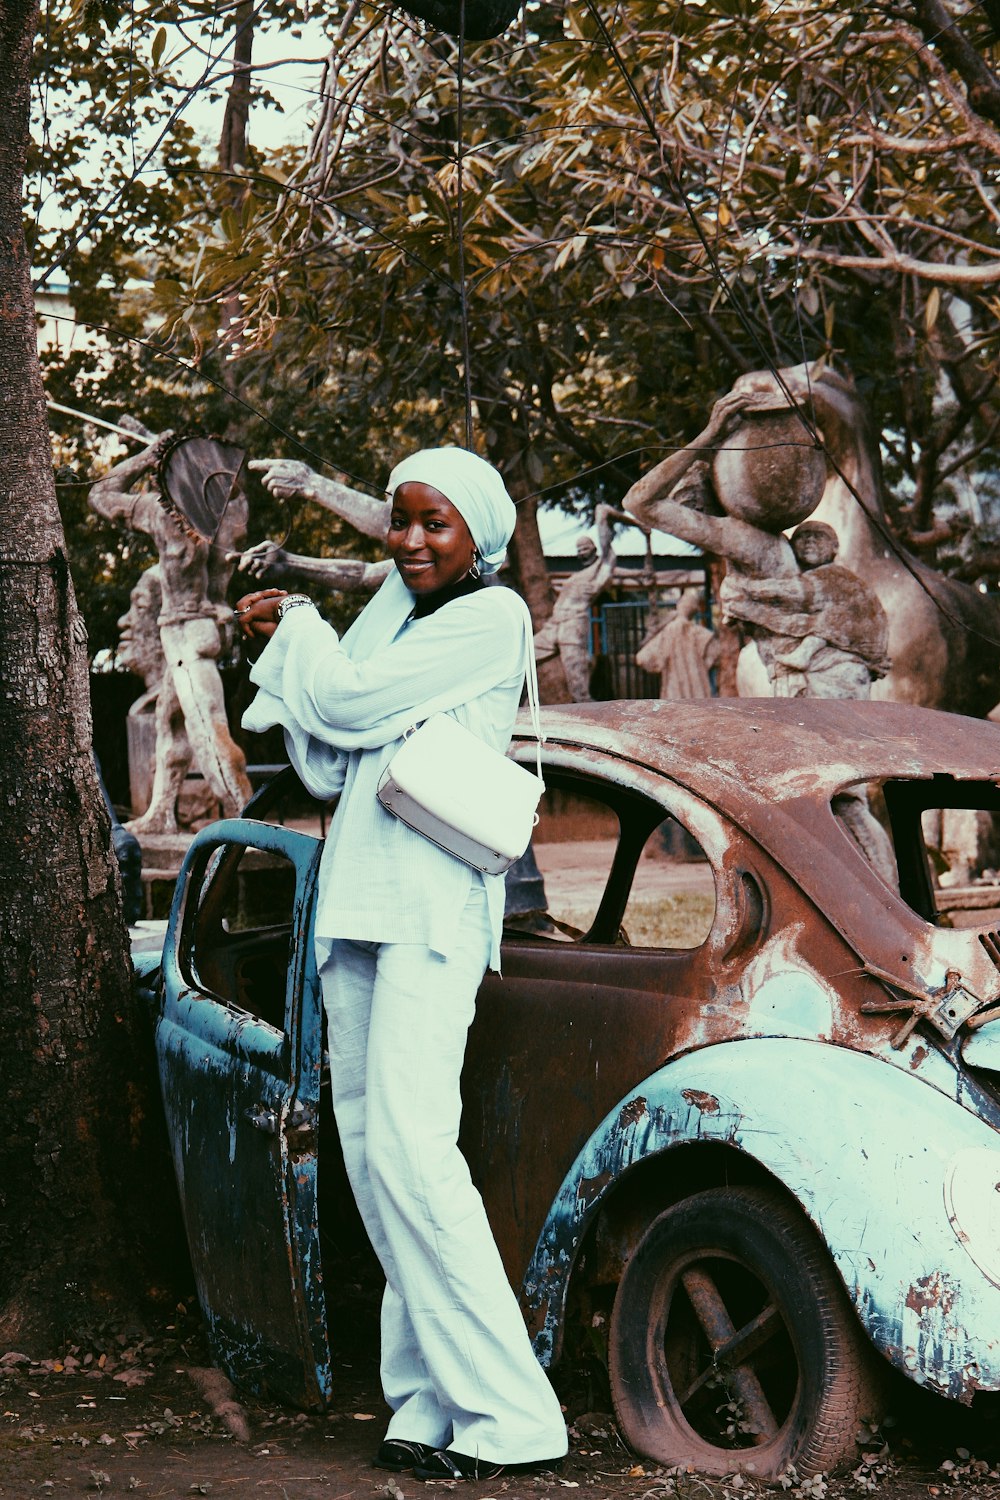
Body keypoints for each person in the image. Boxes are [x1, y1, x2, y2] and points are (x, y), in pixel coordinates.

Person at [235, 447, 567, 1483]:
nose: (412, 542)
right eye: (402, 521)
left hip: (429, 907)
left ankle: (513, 1419)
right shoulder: (392, 605)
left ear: (480, 533)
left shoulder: (491, 617)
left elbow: (336, 703)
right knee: (378, 1164)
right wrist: (315, 650)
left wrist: (296, 630)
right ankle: (424, 1402)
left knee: (417, 1157)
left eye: (437, 525)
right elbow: (332, 755)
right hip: (359, 901)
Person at [89, 427, 252, 820]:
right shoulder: (229, 512)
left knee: (209, 735)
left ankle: (247, 823)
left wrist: (147, 456)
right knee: (170, 722)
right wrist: (181, 456)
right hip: (209, 625)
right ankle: (161, 812)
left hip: (183, 630)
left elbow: (101, 495)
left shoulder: (162, 512)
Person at [720, 520, 890, 698]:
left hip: (862, 635)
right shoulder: (815, 576)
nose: (810, 541)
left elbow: (792, 592)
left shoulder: (834, 574)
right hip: (849, 638)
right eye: (803, 537)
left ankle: (803, 654)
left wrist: (745, 588)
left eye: (818, 537)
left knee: (828, 619)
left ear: (834, 548)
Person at [532, 502, 642, 701]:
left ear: (595, 549)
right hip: (553, 625)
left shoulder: (603, 567)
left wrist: (636, 524)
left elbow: (602, 511)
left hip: (573, 626)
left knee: (578, 689)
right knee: (522, 659)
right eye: (579, 549)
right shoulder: (577, 577)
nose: (581, 552)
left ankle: (590, 720)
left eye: (585, 548)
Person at [635, 592, 719, 699]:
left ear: (679, 605)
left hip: (674, 692)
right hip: (698, 692)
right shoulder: (700, 634)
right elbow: (717, 655)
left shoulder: (668, 632)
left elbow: (643, 658)